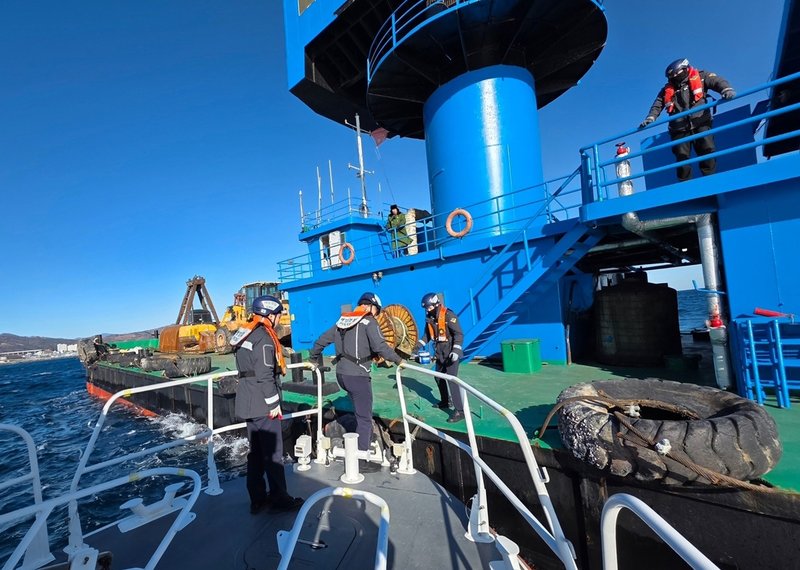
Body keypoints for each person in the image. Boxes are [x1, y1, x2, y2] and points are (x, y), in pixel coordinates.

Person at [309, 292, 404, 472]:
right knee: (364, 417)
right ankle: (361, 458)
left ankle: (361, 440)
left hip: (341, 376)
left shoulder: (343, 321)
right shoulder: (369, 321)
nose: (376, 314)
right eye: (376, 310)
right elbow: (380, 346)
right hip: (358, 377)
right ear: (370, 306)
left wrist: (313, 357)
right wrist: (399, 360)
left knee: (359, 411)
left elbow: (322, 340)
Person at [232, 295, 303, 514]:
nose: (280, 318)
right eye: (279, 314)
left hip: (247, 401)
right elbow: (264, 375)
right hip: (263, 404)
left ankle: (257, 499)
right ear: (269, 314)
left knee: (255, 453)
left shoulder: (245, 333)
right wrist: (274, 403)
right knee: (272, 453)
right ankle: (280, 498)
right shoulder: (263, 338)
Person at [639, 58, 736, 181]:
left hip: (701, 121)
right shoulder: (666, 89)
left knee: (707, 151)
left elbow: (716, 81)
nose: (674, 77)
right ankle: (685, 184)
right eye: (671, 76)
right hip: (679, 128)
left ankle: (710, 180)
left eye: (676, 74)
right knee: (682, 157)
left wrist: (726, 89)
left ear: (684, 69)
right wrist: (650, 118)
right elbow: (657, 105)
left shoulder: (701, 76)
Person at [417, 292, 465, 423]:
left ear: (436, 304)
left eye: (429, 307)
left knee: (452, 380)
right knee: (438, 377)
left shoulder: (449, 315)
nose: (427, 310)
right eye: (426, 308)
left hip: (450, 353)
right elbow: (427, 336)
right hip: (439, 353)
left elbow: (458, 334)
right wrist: (416, 347)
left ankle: (460, 411)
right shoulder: (430, 318)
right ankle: (445, 400)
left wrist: (456, 350)